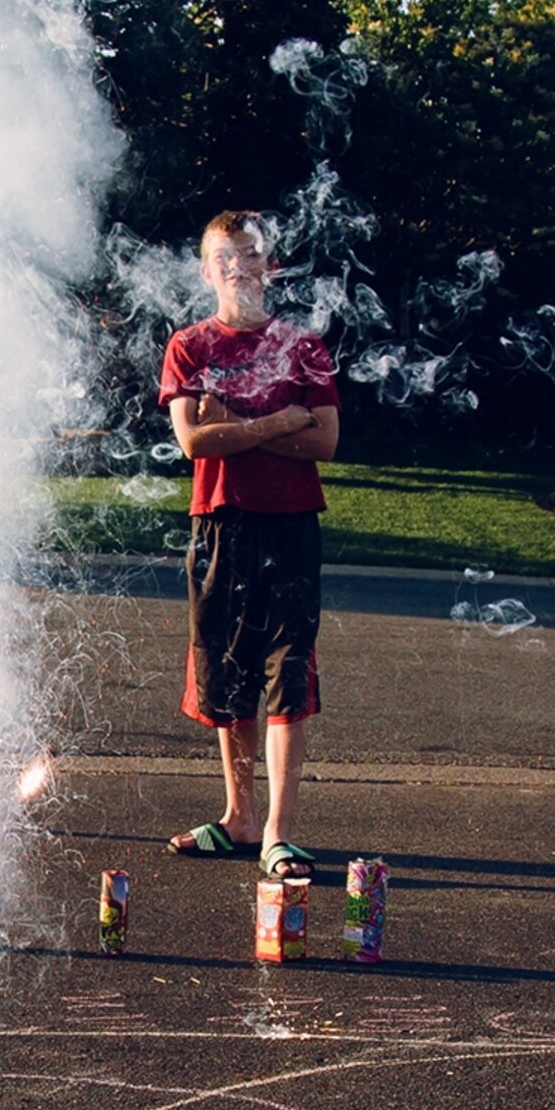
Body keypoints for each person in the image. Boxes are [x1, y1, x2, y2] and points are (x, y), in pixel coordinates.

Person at [159, 209, 338, 881]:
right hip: (220, 524)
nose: (239, 269)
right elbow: (193, 441)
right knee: (225, 674)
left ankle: (277, 834)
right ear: (207, 271)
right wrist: (280, 419)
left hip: (291, 525)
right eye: (224, 259)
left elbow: (325, 441)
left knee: (288, 674)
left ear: (271, 265)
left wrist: (238, 422)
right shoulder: (190, 347)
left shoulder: (304, 346)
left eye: (250, 256)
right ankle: (237, 817)